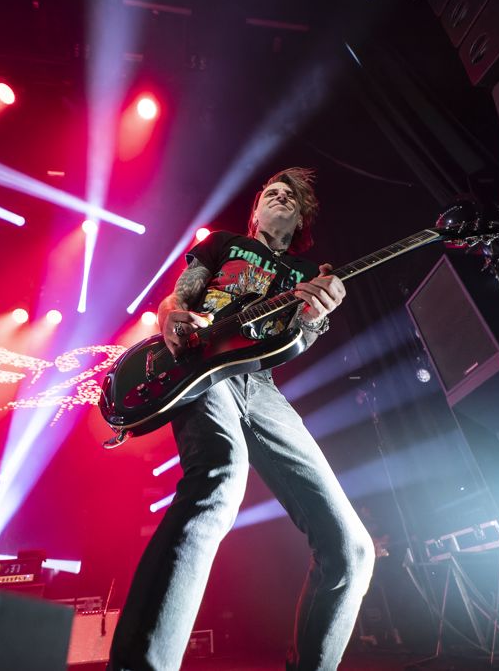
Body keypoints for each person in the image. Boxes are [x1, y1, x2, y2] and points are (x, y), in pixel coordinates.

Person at [108, 168, 375, 671]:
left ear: (300, 220)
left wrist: (315, 315)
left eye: (289, 198)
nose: (278, 198)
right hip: (203, 368)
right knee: (218, 485)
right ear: (254, 212)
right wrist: (170, 318)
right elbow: (178, 298)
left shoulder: (305, 274)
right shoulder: (226, 244)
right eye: (270, 193)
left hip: (262, 388)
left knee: (353, 549)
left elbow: (296, 339)